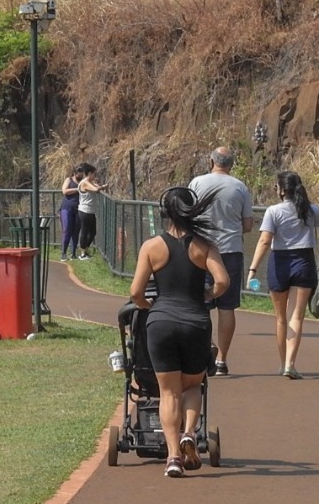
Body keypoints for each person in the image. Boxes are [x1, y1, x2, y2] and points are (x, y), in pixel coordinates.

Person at [129, 186, 229, 478]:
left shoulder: (151, 246)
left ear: (165, 214)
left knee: (168, 393)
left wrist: (149, 305)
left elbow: (135, 291)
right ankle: (189, 433)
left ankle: (173, 457)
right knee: (192, 387)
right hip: (195, 322)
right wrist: (208, 294)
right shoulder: (204, 245)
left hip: (160, 323)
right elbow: (222, 281)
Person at [245, 171, 319, 379]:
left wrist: (252, 269)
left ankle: (283, 364)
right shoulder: (309, 209)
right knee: (297, 316)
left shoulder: (273, 211)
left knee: (281, 318)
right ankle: (291, 363)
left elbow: (264, 241)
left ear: (281, 190)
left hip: (280, 262)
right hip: (303, 262)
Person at [189, 146, 254, 376]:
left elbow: (188, 215)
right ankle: (222, 360)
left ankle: (204, 352)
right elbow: (247, 225)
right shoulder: (240, 187)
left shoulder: (197, 183)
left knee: (201, 305)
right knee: (227, 307)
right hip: (230, 251)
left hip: (200, 251)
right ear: (231, 164)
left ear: (211, 161)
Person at [76, 163, 107, 261]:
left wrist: (102, 186)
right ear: (89, 173)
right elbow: (96, 189)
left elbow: (97, 186)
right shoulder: (85, 182)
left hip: (91, 211)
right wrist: (101, 187)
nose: (95, 176)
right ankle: (82, 254)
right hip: (84, 211)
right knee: (84, 232)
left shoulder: (90, 181)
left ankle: (85, 249)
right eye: (94, 174)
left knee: (93, 232)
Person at [58, 165, 84, 261]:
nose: (80, 176)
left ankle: (73, 253)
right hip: (67, 208)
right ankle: (63, 253)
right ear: (75, 173)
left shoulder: (83, 182)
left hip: (79, 209)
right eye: (79, 174)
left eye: (82, 174)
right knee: (67, 230)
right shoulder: (69, 180)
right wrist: (77, 189)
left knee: (76, 231)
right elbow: (64, 191)